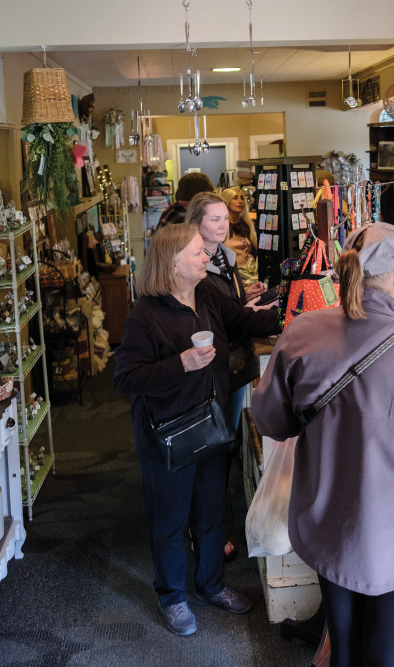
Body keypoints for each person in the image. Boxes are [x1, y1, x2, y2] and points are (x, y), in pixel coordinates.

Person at [252, 223, 394, 667]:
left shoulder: (301, 333)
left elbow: (271, 420)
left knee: (344, 644)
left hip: (326, 521)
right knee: (390, 653)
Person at [113, 224, 279, 637]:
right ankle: (171, 597)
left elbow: (243, 323)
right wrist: (180, 365)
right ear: (172, 264)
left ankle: (210, 585)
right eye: (197, 253)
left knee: (211, 511)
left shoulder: (207, 295)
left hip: (211, 424)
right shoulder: (144, 317)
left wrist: (303, 312)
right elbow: (125, 379)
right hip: (167, 436)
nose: (208, 257)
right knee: (169, 521)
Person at [185, 191, 269, 561]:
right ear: (196, 223)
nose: (222, 225)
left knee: (225, 443)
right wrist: (243, 312)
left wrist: (243, 298)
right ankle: (203, 534)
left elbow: (226, 307)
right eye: (214, 219)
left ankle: (210, 527)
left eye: (224, 219)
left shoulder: (226, 256)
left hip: (231, 363)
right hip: (212, 365)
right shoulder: (195, 264)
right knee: (211, 448)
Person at [219, 187, 259, 271]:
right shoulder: (220, 226)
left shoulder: (246, 225)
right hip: (231, 273)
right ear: (227, 201)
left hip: (251, 272)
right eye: (235, 198)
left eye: (242, 198)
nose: (240, 201)